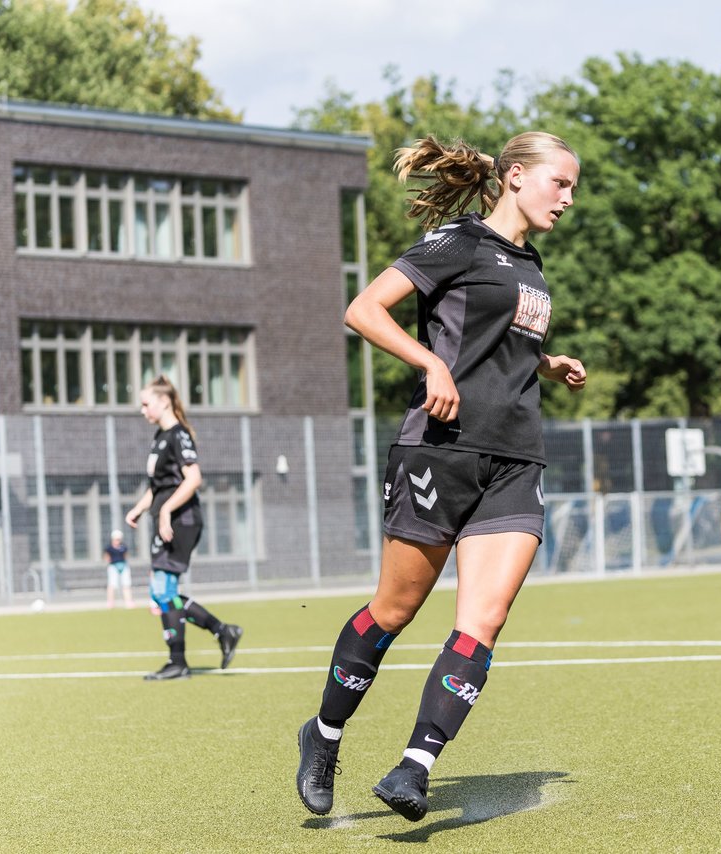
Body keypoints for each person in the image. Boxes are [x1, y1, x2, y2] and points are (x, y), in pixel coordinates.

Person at [295, 132, 586, 822]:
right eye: (561, 184)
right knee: (393, 612)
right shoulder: (457, 241)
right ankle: (324, 734)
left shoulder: (531, 264)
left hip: (516, 460)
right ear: (516, 177)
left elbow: (496, 346)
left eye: (573, 188)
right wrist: (430, 364)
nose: (569, 199)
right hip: (440, 452)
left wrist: (548, 364)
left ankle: (414, 767)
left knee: (483, 619)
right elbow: (363, 310)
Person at [124, 375, 242, 680]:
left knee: (163, 590)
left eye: (145, 403)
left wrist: (165, 510)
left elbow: (193, 479)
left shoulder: (179, 436)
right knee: (163, 592)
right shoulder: (160, 437)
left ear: (164, 402)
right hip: (166, 518)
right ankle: (220, 631)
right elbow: (159, 486)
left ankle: (180, 660)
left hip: (181, 520)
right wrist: (138, 509)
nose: (142, 410)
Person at [104, 529, 134, 609]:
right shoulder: (109, 547)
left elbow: (126, 556)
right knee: (112, 585)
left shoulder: (123, 547)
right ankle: (110, 603)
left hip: (123, 565)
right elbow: (107, 557)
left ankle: (128, 602)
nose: (117, 541)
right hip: (113, 566)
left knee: (126, 584)